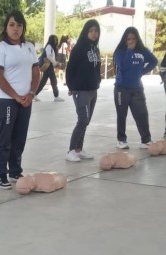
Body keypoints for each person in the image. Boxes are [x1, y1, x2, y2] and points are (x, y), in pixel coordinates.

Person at [0, 10, 40, 189]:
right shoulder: (0, 48)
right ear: (6, 27)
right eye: (12, 25)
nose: (16, 29)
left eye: (19, 25)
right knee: (5, 139)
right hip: (8, 101)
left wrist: (31, 94)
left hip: (26, 100)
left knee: (19, 138)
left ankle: (15, 171)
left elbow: (36, 72)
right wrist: (15, 96)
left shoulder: (29, 47)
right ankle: (1, 174)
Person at [113, 26, 157, 150]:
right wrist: (129, 51)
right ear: (125, 40)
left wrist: (142, 71)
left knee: (142, 114)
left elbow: (154, 61)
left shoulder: (143, 51)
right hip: (122, 88)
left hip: (137, 89)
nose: (131, 41)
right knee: (122, 115)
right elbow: (123, 66)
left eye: (133, 39)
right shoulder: (120, 51)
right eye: (128, 39)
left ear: (137, 39)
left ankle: (146, 139)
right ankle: (121, 139)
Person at [64, 19, 102, 162]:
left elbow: (97, 68)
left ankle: (79, 149)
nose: (94, 33)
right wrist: (71, 86)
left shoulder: (95, 49)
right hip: (81, 90)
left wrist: (98, 81)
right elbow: (70, 68)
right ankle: (71, 150)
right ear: (86, 32)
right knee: (83, 120)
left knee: (86, 121)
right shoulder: (79, 48)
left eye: (96, 31)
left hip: (93, 89)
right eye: (91, 31)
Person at [35, 35, 64, 102]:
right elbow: (48, 56)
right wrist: (55, 63)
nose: (56, 41)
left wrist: (55, 63)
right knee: (53, 81)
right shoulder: (49, 47)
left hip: (49, 66)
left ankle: (34, 94)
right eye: (54, 40)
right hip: (48, 66)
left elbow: (50, 57)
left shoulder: (51, 47)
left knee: (43, 81)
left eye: (56, 39)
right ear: (51, 40)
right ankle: (56, 96)